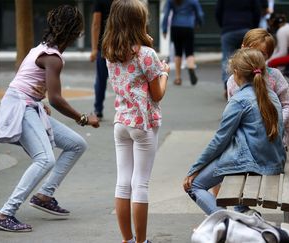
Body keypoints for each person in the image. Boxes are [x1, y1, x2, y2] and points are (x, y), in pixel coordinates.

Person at [0, 5, 100, 232]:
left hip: (28, 104)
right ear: (73, 32)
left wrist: (37, 99)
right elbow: (56, 99)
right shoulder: (53, 58)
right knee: (45, 159)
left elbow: (24, 79)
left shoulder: (41, 49)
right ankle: (5, 213)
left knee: (76, 144)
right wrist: (83, 118)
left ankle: (44, 195)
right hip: (21, 108)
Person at [183, 48, 286, 216]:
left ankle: (232, 223)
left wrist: (194, 169)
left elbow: (220, 140)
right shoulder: (271, 95)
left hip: (252, 162)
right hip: (273, 161)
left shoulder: (239, 100)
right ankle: (239, 215)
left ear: (236, 73)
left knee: (194, 185)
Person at [102, 0, 170, 242]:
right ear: (139, 22)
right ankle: (141, 241)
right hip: (143, 124)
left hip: (121, 122)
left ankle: (127, 239)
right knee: (140, 184)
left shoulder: (109, 50)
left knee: (123, 183)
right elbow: (158, 93)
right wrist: (164, 74)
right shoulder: (147, 54)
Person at [227, 28, 289, 151]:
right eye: (252, 50)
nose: (256, 56)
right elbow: (232, 113)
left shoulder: (274, 76)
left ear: (269, 55)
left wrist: (275, 124)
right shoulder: (233, 80)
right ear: (243, 47)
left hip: (274, 139)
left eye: (262, 54)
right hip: (246, 142)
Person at [215, 0, 261, 98]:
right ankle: (249, 84)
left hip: (228, 29)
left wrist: (223, 25)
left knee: (227, 58)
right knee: (248, 57)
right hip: (246, 28)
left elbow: (218, 12)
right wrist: (253, 28)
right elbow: (257, 11)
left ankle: (228, 86)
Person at [162, 0, 204, 86]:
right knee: (189, 52)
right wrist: (199, 23)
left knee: (178, 52)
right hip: (188, 26)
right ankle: (191, 68)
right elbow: (200, 14)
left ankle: (178, 78)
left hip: (176, 27)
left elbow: (166, 14)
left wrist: (164, 29)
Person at [90, 0, 113, 119]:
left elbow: (96, 24)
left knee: (101, 79)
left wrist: (94, 49)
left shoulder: (100, 2)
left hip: (104, 47)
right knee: (125, 77)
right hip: (122, 44)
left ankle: (98, 110)